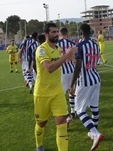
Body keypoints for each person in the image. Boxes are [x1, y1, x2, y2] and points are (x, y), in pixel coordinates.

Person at [33, 22, 77, 151]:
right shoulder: (41, 49)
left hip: (57, 92)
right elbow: (49, 68)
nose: (57, 34)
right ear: (46, 34)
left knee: (62, 124)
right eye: (53, 32)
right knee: (41, 123)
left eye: (57, 31)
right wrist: (66, 56)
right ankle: (39, 145)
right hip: (42, 93)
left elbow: (62, 61)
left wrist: (71, 57)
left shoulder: (57, 48)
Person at [70, 23, 104, 151]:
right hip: (96, 77)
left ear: (81, 33)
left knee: (80, 110)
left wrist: (72, 84)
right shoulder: (95, 45)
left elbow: (78, 67)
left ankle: (95, 133)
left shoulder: (79, 46)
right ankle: (93, 131)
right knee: (94, 106)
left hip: (85, 80)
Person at [57, 27, 76, 122]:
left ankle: (66, 113)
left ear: (59, 34)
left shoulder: (56, 45)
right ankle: (73, 111)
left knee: (62, 94)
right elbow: (76, 58)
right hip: (72, 70)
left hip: (62, 72)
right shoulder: (72, 44)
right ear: (67, 34)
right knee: (72, 90)